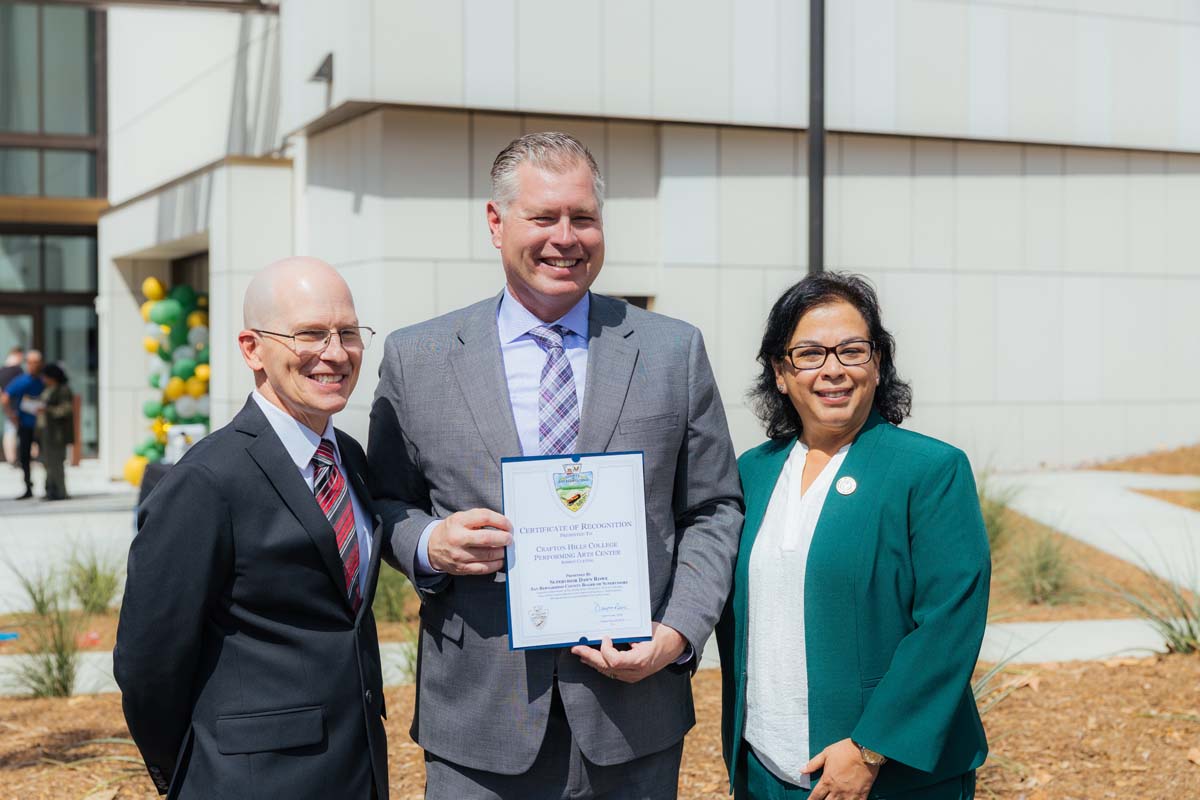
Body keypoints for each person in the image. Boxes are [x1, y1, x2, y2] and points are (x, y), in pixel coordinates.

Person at [368, 132, 743, 799]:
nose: (565, 237)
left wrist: (677, 633)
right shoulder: (415, 358)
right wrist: (429, 543)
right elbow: (387, 503)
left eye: (583, 217)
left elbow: (713, 507)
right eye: (543, 217)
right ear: (496, 222)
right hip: (478, 721)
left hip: (635, 714)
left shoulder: (672, 351)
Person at [115, 258, 389, 799]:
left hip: (357, 773)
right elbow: (148, 665)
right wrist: (198, 771)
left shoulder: (350, 458)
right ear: (251, 348)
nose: (335, 353)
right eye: (310, 334)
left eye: (349, 334)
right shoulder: (205, 480)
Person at [717, 272, 990, 800]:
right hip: (766, 767)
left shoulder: (930, 470)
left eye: (851, 350)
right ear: (780, 371)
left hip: (885, 776)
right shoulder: (752, 471)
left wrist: (870, 747)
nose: (833, 370)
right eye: (810, 354)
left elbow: (949, 623)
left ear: (878, 363)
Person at [1, 349, 44, 499]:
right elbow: (5, 398)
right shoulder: (21, 381)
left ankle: (50, 486)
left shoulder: (45, 380)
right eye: (30, 363)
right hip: (26, 425)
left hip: (43, 426)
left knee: (46, 456)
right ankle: (28, 487)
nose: (33, 366)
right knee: (25, 457)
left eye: (36, 363)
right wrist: (11, 416)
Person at [34, 363, 74, 500]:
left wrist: (47, 410)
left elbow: (65, 409)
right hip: (46, 432)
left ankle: (60, 492)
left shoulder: (63, 390)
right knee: (48, 463)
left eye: (45, 376)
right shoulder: (48, 389)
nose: (43, 379)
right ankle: (50, 490)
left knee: (56, 463)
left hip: (57, 434)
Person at [0, 346, 25, 465]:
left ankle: (11, 458)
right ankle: (16, 458)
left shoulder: (2, 370)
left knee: (9, 430)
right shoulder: (17, 371)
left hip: (6, 404)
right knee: (17, 430)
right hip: (16, 404)